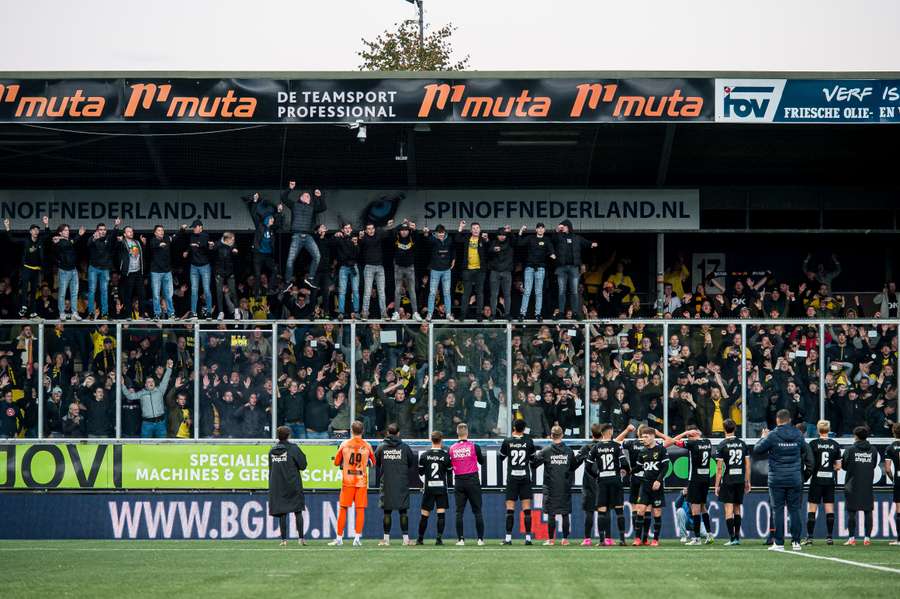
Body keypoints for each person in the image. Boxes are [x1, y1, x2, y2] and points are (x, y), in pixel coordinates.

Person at [753, 408, 813, 552]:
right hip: (794, 478)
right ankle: (796, 542)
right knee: (795, 510)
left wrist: (763, 437)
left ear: (777, 420)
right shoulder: (798, 434)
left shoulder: (772, 435)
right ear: (790, 420)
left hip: (777, 479)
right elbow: (806, 452)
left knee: (778, 510)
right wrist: (802, 476)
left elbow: (757, 449)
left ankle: (779, 543)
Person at [664, 425, 714, 545]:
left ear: (692, 435)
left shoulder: (692, 444)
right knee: (703, 507)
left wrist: (684, 432)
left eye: (688, 436)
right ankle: (709, 534)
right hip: (706, 479)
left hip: (695, 479)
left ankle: (697, 538)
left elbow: (671, 442)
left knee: (695, 508)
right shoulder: (708, 442)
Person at [330, 421, 375, 546]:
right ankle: (357, 538)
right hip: (361, 481)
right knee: (360, 510)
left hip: (348, 481)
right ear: (363, 431)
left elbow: (336, 462)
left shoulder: (344, 444)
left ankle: (339, 538)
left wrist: (344, 462)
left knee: (343, 509)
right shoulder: (367, 445)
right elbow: (373, 462)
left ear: (351, 430)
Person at [532, 425, 577, 546]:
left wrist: (532, 455)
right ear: (562, 435)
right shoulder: (569, 451)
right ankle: (565, 539)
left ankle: (551, 540)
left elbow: (534, 464)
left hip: (550, 487)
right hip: (564, 486)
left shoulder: (546, 451)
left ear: (552, 436)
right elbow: (573, 466)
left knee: (551, 514)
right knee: (565, 513)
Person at [586, 423, 630, 546]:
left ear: (601, 433)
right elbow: (624, 463)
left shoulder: (596, 447)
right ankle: (622, 540)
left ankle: (601, 540)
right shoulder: (616, 446)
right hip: (615, 480)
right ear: (610, 432)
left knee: (602, 510)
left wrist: (597, 476)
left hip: (603, 481)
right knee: (619, 510)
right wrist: (624, 471)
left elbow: (588, 466)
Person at [375, 423, 417, 546]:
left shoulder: (381, 447)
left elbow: (377, 463)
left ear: (388, 433)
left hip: (386, 483)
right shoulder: (404, 447)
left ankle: (386, 540)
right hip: (401, 483)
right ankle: (405, 540)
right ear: (398, 433)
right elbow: (411, 463)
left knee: (387, 512)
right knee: (403, 512)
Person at [803, 420, 842, 545]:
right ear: (829, 430)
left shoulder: (813, 444)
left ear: (818, 430)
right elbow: (838, 466)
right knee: (829, 508)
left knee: (812, 508)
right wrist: (830, 468)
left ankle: (809, 537)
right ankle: (829, 537)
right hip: (829, 480)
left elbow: (810, 463)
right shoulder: (835, 445)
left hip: (816, 480)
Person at [268, 425, 308, 547]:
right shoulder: (294, 449)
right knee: (298, 511)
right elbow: (303, 465)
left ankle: (283, 540)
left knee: (282, 512)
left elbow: (271, 469)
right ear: (289, 435)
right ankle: (301, 538)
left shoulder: (272, 451)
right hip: (293, 484)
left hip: (278, 485)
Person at [499, 418, 537, 545]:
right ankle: (528, 538)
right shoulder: (529, 441)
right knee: (526, 508)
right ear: (524, 428)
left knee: (510, 508)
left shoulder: (508, 441)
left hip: (512, 478)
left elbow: (501, 457)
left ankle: (508, 538)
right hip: (525, 477)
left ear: (514, 428)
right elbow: (533, 459)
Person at [551, 219, 597, 319]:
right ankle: (561, 312)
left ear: (568, 227)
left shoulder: (576, 238)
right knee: (561, 291)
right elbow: (553, 240)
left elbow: (585, 242)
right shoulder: (559, 236)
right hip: (561, 267)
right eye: (561, 227)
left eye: (564, 226)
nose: (562, 228)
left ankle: (576, 312)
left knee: (574, 291)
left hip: (574, 267)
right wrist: (557, 230)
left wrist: (591, 244)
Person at [3, 216, 49, 318]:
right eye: (34, 230)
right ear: (30, 232)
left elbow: (47, 234)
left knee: (33, 291)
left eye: (37, 230)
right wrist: (7, 227)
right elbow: (12, 239)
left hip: (36, 269)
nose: (36, 231)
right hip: (27, 268)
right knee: (24, 289)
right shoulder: (26, 241)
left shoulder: (40, 241)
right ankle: (23, 306)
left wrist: (46, 224)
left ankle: (32, 311)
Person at [449, 422, 486, 545]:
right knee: (477, 511)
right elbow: (482, 461)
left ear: (457, 433)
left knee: (459, 512)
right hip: (472, 480)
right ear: (467, 433)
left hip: (459, 480)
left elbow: (450, 465)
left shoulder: (452, 448)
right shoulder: (474, 446)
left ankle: (460, 539)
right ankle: (480, 539)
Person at [715, 419, 751, 546]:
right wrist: (748, 481)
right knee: (737, 509)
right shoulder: (742, 444)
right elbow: (747, 466)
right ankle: (737, 537)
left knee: (728, 509)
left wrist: (717, 485)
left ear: (724, 429)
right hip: (740, 480)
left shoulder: (722, 445)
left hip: (728, 480)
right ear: (735, 428)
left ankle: (732, 538)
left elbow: (719, 469)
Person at [283, 182, 326, 288]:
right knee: (290, 260)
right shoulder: (295, 205)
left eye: (309, 196)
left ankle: (310, 278)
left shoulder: (312, 208)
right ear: (300, 197)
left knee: (317, 256)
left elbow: (323, 207)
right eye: (306, 195)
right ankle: (287, 282)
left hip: (308, 236)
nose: (308, 197)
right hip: (297, 236)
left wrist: (319, 197)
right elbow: (283, 198)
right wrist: (290, 188)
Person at [632, 426, 669, 546]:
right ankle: (637, 539)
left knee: (657, 512)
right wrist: (627, 471)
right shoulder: (642, 452)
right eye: (642, 437)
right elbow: (638, 467)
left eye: (646, 437)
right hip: (645, 485)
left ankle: (655, 539)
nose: (644, 439)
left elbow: (665, 467)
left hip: (657, 486)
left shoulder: (661, 449)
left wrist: (658, 480)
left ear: (653, 436)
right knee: (640, 510)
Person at [842, 426, 878, 546]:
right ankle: (867, 538)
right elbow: (873, 464)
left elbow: (844, 466)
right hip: (867, 483)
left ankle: (852, 538)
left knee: (851, 511)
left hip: (852, 483)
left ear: (856, 436)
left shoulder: (850, 450)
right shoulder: (873, 450)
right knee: (868, 510)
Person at [417, 430, 452, 545]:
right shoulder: (446, 456)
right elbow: (449, 473)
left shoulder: (424, 455)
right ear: (441, 440)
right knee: (441, 513)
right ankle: (438, 539)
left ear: (431, 440)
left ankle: (420, 539)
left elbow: (421, 472)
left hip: (429, 488)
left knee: (424, 514)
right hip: (441, 488)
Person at [123, 359, 174, 438]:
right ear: (145, 385)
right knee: (145, 445)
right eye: (149, 382)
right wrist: (122, 385)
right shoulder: (141, 393)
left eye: (152, 381)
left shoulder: (160, 390)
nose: (151, 383)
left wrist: (169, 368)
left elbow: (165, 380)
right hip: (147, 424)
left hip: (160, 423)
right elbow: (130, 396)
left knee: (162, 445)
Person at [516, 223, 554, 321]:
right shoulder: (530, 238)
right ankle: (522, 313)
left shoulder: (546, 240)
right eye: (539, 228)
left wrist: (552, 254)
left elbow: (551, 249)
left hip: (540, 268)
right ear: (536, 229)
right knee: (527, 291)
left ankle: (538, 313)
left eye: (542, 228)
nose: (541, 230)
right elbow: (520, 243)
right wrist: (521, 231)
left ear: (544, 230)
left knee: (538, 292)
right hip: (529, 267)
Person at [180, 220, 214, 319]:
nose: (194, 229)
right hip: (194, 267)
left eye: (195, 227)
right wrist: (186, 251)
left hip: (204, 266)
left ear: (200, 227)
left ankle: (209, 312)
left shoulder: (205, 235)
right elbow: (190, 246)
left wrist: (197, 245)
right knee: (194, 289)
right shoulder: (192, 236)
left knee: (206, 289)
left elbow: (203, 245)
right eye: (193, 227)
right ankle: (193, 312)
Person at [359, 220, 392, 320]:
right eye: (368, 229)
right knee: (367, 292)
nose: (371, 230)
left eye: (372, 228)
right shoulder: (364, 238)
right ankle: (365, 313)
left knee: (381, 292)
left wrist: (388, 225)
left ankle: (384, 314)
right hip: (369, 267)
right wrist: (360, 237)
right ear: (366, 230)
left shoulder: (378, 235)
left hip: (380, 267)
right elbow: (360, 243)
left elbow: (386, 232)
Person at [82, 221, 116, 319]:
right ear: (97, 231)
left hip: (105, 269)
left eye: (104, 230)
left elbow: (114, 236)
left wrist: (116, 226)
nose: (102, 231)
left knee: (104, 291)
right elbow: (88, 244)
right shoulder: (93, 238)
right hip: (93, 268)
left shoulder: (108, 239)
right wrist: (93, 238)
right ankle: (91, 312)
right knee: (92, 290)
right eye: (100, 230)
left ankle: (105, 313)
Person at [456, 220, 488, 321]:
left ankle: (479, 314)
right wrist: (460, 227)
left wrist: (486, 239)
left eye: (477, 228)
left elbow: (489, 245)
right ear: (471, 230)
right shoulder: (467, 238)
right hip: (468, 270)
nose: (475, 230)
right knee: (466, 293)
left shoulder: (482, 239)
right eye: (473, 228)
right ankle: (463, 314)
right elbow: (457, 239)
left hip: (480, 270)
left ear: (480, 230)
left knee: (479, 293)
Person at [423, 225, 455, 321]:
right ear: (436, 233)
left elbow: (453, 250)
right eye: (439, 233)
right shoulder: (433, 239)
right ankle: (429, 314)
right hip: (435, 270)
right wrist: (425, 233)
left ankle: (448, 314)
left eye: (442, 233)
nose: (441, 235)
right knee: (432, 293)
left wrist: (453, 259)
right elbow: (427, 241)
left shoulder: (449, 239)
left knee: (447, 293)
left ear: (444, 232)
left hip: (446, 270)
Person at [51, 222, 81, 320]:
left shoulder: (66, 240)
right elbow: (68, 243)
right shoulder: (58, 242)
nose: (67, 232)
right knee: (62, 293)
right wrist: (79, 235)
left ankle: (74, 313)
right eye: (65, 230)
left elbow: (71, 243)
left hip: (73, 270)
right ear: (60, 232)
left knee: (74, 293)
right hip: (64, 271)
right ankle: (62, 312)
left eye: (68, 230)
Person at [392, 221, 421, 320]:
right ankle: (396, 312)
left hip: (410, 268)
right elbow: (391, 232)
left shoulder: (412, 238)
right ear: (399, 231)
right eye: (402, 230)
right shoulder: (396, 238)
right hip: (398, 268)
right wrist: (401, 224)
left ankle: (415, 312)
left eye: (406, 230)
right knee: (397, 290)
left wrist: (413, 228)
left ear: (409, 231)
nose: (404, 232)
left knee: (412, 290)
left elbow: (418, 237)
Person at [146, 225, 175, 320]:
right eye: (159, 230)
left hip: (167, 271)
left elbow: (175, 237)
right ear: (155, 233)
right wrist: (160, 244)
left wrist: (182, 230)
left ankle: (171, 313)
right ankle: (157, 313)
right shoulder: (153, 240)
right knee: (156, 294)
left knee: (168, 294)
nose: (161, 232)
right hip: (156, 272)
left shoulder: (166, 238)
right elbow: (154, 245)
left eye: (162, 230)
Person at [117, 225, 145, 319]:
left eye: (132, 231)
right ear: (124, 234)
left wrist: (143, 244)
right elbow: (115, 247)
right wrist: (119, 240)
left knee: (142, 293)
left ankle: (142, 313)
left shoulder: (136, 242)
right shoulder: (122, 242)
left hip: (138, 272)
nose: (131, 232)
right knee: (128, 294)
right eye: (129, 231)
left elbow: (139, 255)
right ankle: (128, 315)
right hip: (128, 273)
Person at [486, 226, 514, 320]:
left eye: (504, 235)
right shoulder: (493, 243)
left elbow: (516, 242)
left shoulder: (510, 242)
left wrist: (510, 232)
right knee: (494, 294)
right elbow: (487, 252)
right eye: (500, 235)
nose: (502, 237)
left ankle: (507, 314)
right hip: (495, 271)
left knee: (507, 294)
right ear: (497, 236)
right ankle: (493, 314)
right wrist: (494, 250)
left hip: (506, 272)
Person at [213, 232, 239, 320]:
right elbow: (212, 248)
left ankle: (236, 311)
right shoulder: (218, 244)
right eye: (232, 239)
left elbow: (235, 250)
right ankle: (221, 312)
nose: (233, 241)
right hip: (219, 272)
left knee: (233, 291)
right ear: (226, 239)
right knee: (219, 292)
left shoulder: (232, 245)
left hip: (229, 272)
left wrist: (234, 251)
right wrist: (211, 246)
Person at [884, 423, 900, 546]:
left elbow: (888, 469)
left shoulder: (890, 448)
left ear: (893, 432)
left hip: (899, 479)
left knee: (899, 510)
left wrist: (892, 479)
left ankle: (899, 539)